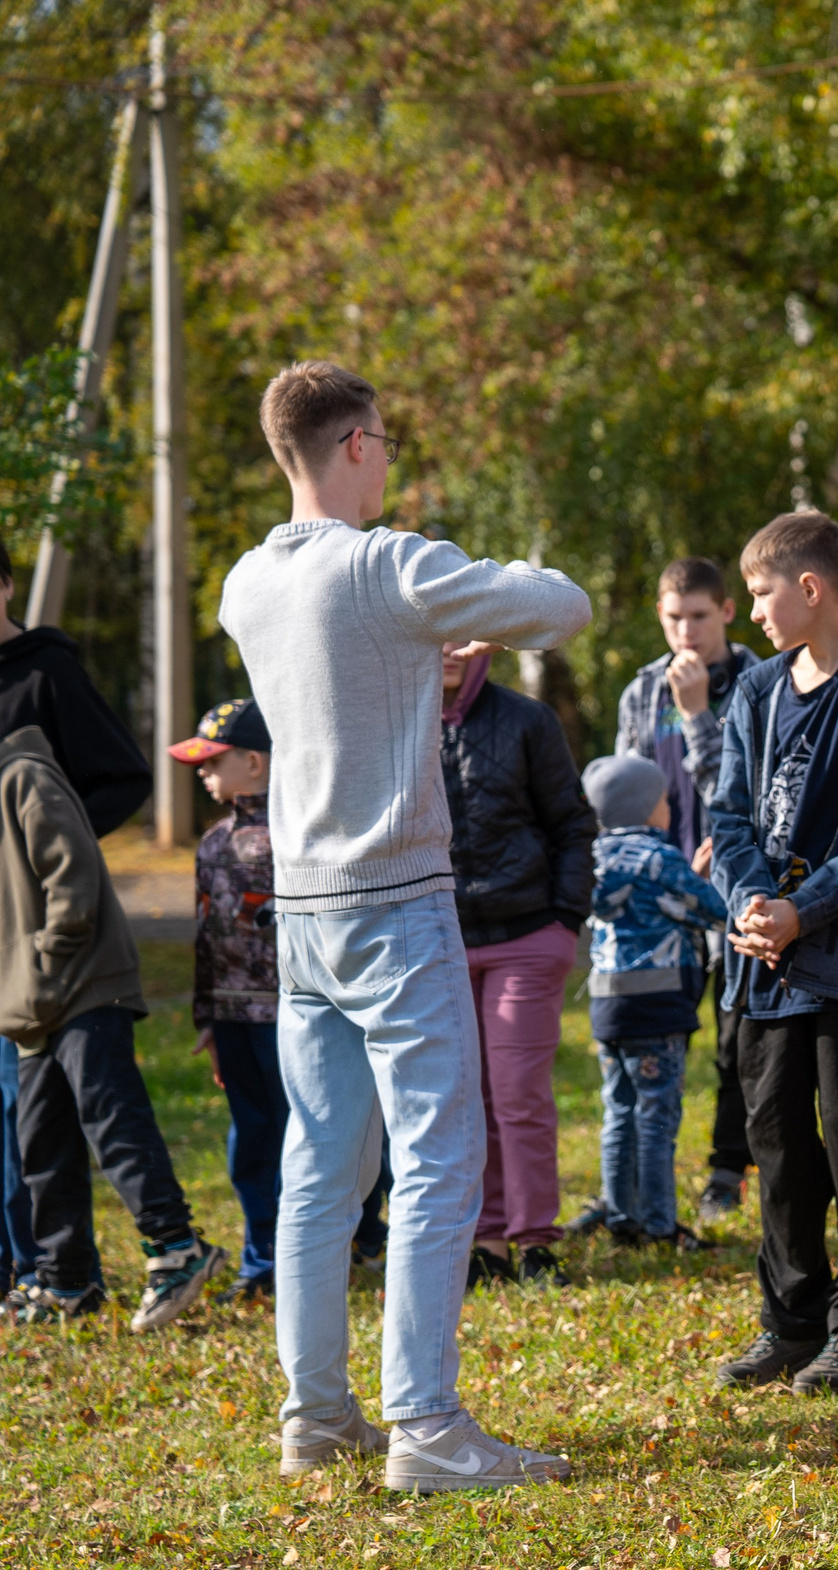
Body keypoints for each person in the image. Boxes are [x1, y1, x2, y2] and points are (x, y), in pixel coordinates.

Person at [221, 358, 589, 1491]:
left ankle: (315, 1415)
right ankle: (426, 1427)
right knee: (440, 1160)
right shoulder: (387, 565)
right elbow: (562, 606)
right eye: (383, 441)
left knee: (320, 1167)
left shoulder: (245, 581)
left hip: (303, 906)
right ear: (358, 444)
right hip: (397, 898)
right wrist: (457, 585)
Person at [704, 511, 838, 1397]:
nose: (752, 613)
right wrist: (754, 903)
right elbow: (727, 818)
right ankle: (791, 1320)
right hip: (763, 965)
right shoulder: (753, 692)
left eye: (760, 594)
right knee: (778, 1143)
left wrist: (805, 909)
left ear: (812, 588)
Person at [1, 724, 225, 1329]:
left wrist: (48, 958)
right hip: (30, 1006)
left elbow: (69, 873)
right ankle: (66, 1279)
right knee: (40, 1143)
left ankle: (176, 1247)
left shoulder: (23, 775)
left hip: (80, 985)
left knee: (112, 1117)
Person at [0, 538, 153, 1296]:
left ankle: (60, 1268)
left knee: (54, 1114)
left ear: (4, 586)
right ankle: (40, 1273)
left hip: (46, 940)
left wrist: (49, 859)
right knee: (26, 1129)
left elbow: (124, 778)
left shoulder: (46, 672)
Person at [440, 641, 598, 1290]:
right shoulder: (393, 716)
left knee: (517, 1093)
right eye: (433, 631)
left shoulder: (527, 720)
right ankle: (487, 1242)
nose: (446, 648)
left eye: (459, 633)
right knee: (465, 1099)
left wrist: (565, 920)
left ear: (484, 640)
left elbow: (571, 823)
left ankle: (535, 1241)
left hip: (528, 934)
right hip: (439, 943)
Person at [614, 557, 760, 1225]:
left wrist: (697, 711)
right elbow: (629, 792)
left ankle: (727, 1168)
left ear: (726, 612)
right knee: (664, 1035)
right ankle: (642, 1182)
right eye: (673, 618)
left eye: (698, 616)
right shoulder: (643, 690)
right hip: (661, 898)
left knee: (738, 1037)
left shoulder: (758, 681)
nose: (686, 631)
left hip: (734, 887)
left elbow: (747, 789)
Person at [580, 755, 726, 1249]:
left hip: (607, 1006)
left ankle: (622, 1217)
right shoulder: (659, 859)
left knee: (618, 1111)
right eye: (664, 800)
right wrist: (698, 877)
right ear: (647, 808)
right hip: (658, 1002)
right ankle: (661, 1225)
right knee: (657, 1116)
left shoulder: (592, 859)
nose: (669, 808)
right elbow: (712, 911)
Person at [172, 699, 285, 1305]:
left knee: (310, 1139)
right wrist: (206, 1019)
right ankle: (261, 1258)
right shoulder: (213, 843)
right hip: (235, 1018)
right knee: (252, 1140)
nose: (202, 771)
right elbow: (203, 937)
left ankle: (349, 1240)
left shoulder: (301, 836)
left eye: (213, 760)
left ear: (255, 761)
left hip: (293, 1017)